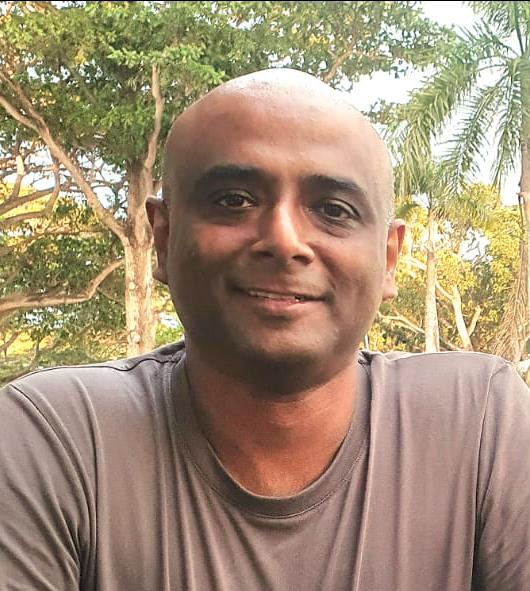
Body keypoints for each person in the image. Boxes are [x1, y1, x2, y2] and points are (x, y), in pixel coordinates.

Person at [1, 68, 529, 591]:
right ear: (163, 237)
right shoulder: (55, 438)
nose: (284, 240)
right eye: (233, 200)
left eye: (333, 209)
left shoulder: (479, 422)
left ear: (388, 258)